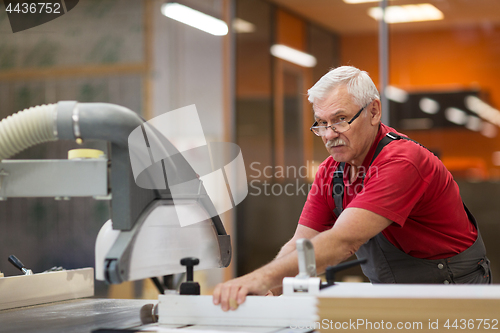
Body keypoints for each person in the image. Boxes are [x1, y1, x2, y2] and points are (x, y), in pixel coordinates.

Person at [212, 66, 492, 311]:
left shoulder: (403, 162)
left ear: (373, 111)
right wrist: (267, 289)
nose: (329, 134)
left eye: (340, 119)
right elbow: (302, 245)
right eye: (321, 124)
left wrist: (261, 278)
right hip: (395, 302)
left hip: (453, 299)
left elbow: (343, 241)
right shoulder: (331, 171)